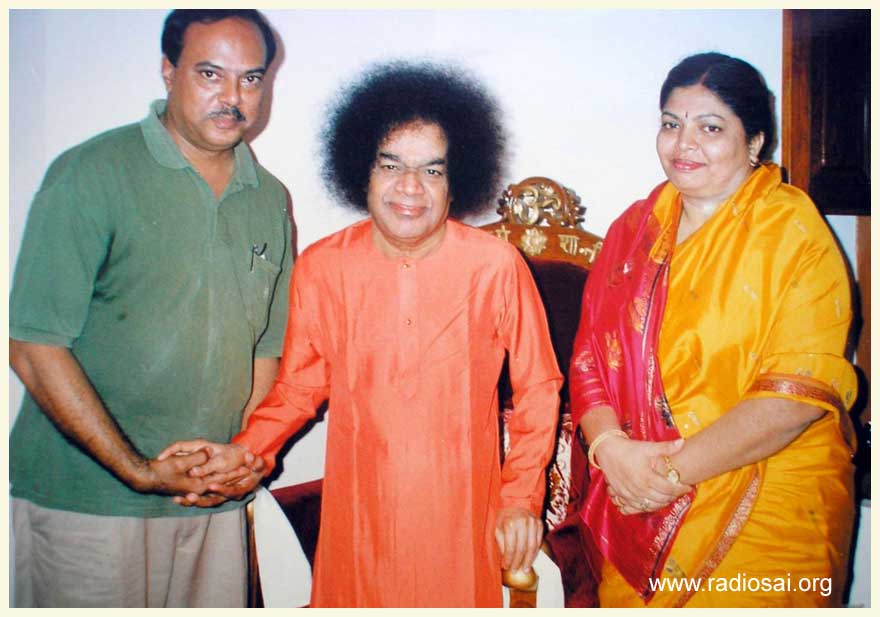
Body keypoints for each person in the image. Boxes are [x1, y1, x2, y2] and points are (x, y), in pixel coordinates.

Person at [160, 61, 563, 607]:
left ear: (455, 181)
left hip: (461, 518)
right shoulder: (323, 267)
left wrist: (520, 498)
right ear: (363, 171)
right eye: (391, 164)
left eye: (432, 171)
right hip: (361, 518)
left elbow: (539, 387)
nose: (409, 188)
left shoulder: (494, 265)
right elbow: (300, 388)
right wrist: (245, 452)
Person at [9, 9, 292, 607]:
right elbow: (34, 349)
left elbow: (265, 346)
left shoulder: (268, 197)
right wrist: (135, 469)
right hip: (89, 502)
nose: (233, 97)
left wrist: (245, 455)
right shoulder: (90, 173)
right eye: (211, 74)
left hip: (213, 501)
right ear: (168, 71)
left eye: (251, 78)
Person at [569, 52, 857, 607]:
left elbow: (794, 398)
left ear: (754, 142)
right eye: (671, 124)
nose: (684, 144)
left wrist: (666, 475)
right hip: (635, 489)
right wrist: (609, 448)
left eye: (711, 127)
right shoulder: (633, 228)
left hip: (766, 488)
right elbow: (589, 357)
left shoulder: (791, 233)